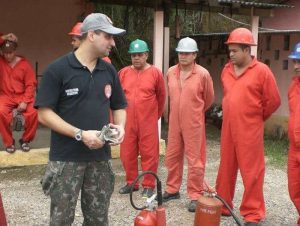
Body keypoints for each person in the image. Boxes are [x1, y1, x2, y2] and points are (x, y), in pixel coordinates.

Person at [35, 13, 127, 225]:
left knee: (98, 219)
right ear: (92, 35)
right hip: (66, 160)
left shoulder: (109, 70)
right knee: (61, 220)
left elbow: (119, 105)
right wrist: (80, 134)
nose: (113, 42)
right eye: (108, 37)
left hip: (100, 160)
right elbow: (44, 114)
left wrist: (120, 127)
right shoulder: (58, 70)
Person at [215, 28, 281, 226]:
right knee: (225, 167)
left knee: (252, 171)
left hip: (250, 128)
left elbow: (273, 101)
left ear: (247, 50)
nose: (231, 54)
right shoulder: (226, 70)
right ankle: (224, 204)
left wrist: (254, 117)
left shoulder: (262, 71)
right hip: (228, 127)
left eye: (235, 50)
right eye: (230, 50)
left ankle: (252, 214)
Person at [163, 37, 214, 212]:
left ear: (194, 55)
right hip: (174, 121)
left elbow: (208, 98)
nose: (183, 56)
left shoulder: (203, 74)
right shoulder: (170, 72)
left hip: (193, 121)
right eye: (180, 53)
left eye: (187, 53)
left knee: (195, 159)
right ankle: (172, 189)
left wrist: (194, 112)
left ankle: (195, 194)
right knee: (173, 155)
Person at [118, 39, 166, 197]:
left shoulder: (155, 73)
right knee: (127, 153)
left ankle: (149, 184)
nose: (136, 58)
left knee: (150, 154)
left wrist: (154, 117)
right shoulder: (123, 73)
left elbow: (161, 96)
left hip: (148, 121)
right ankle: (131, 182)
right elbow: (117, 98)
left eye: (139, 54)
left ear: (146, 55)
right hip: (127, 121)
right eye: (133, 55)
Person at [0, 34, 38, 153]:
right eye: (5, 53)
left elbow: (30, 85)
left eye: (10, 52)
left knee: (34, 112)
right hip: (6, 96)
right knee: (0, 111)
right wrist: (4, 37)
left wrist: (25, 101)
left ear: (15, 51)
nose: (8, 55)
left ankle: (25, 140)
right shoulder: (1, 62)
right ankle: (9, 142)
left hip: (23, 96)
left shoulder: (24, 65)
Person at [287, 42, 300, 226]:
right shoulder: (293, 88)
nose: (296, 66)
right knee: (294, 190)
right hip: (294, 149)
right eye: (295, 61)